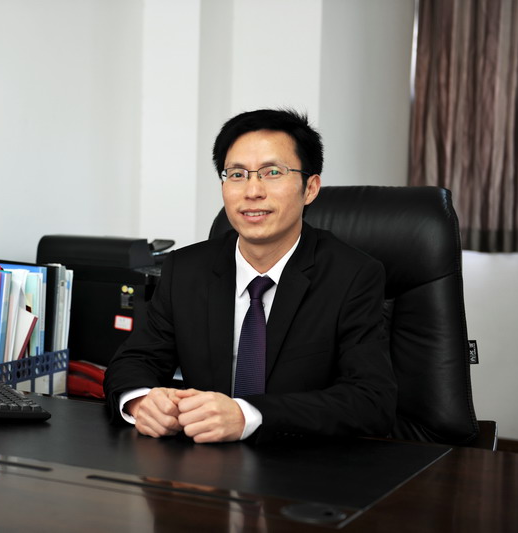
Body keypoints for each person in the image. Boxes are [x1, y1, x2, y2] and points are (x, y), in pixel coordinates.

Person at [103, 108, 397, 444]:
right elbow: (134, 360)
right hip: (203, 464)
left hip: (304, 464)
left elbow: (371, 401)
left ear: (310, 188)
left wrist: (247, 415)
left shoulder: (353, 276)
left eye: (272, 172)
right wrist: (141, 401)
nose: (252, 190)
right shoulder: (185, 269)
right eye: (237, 174)